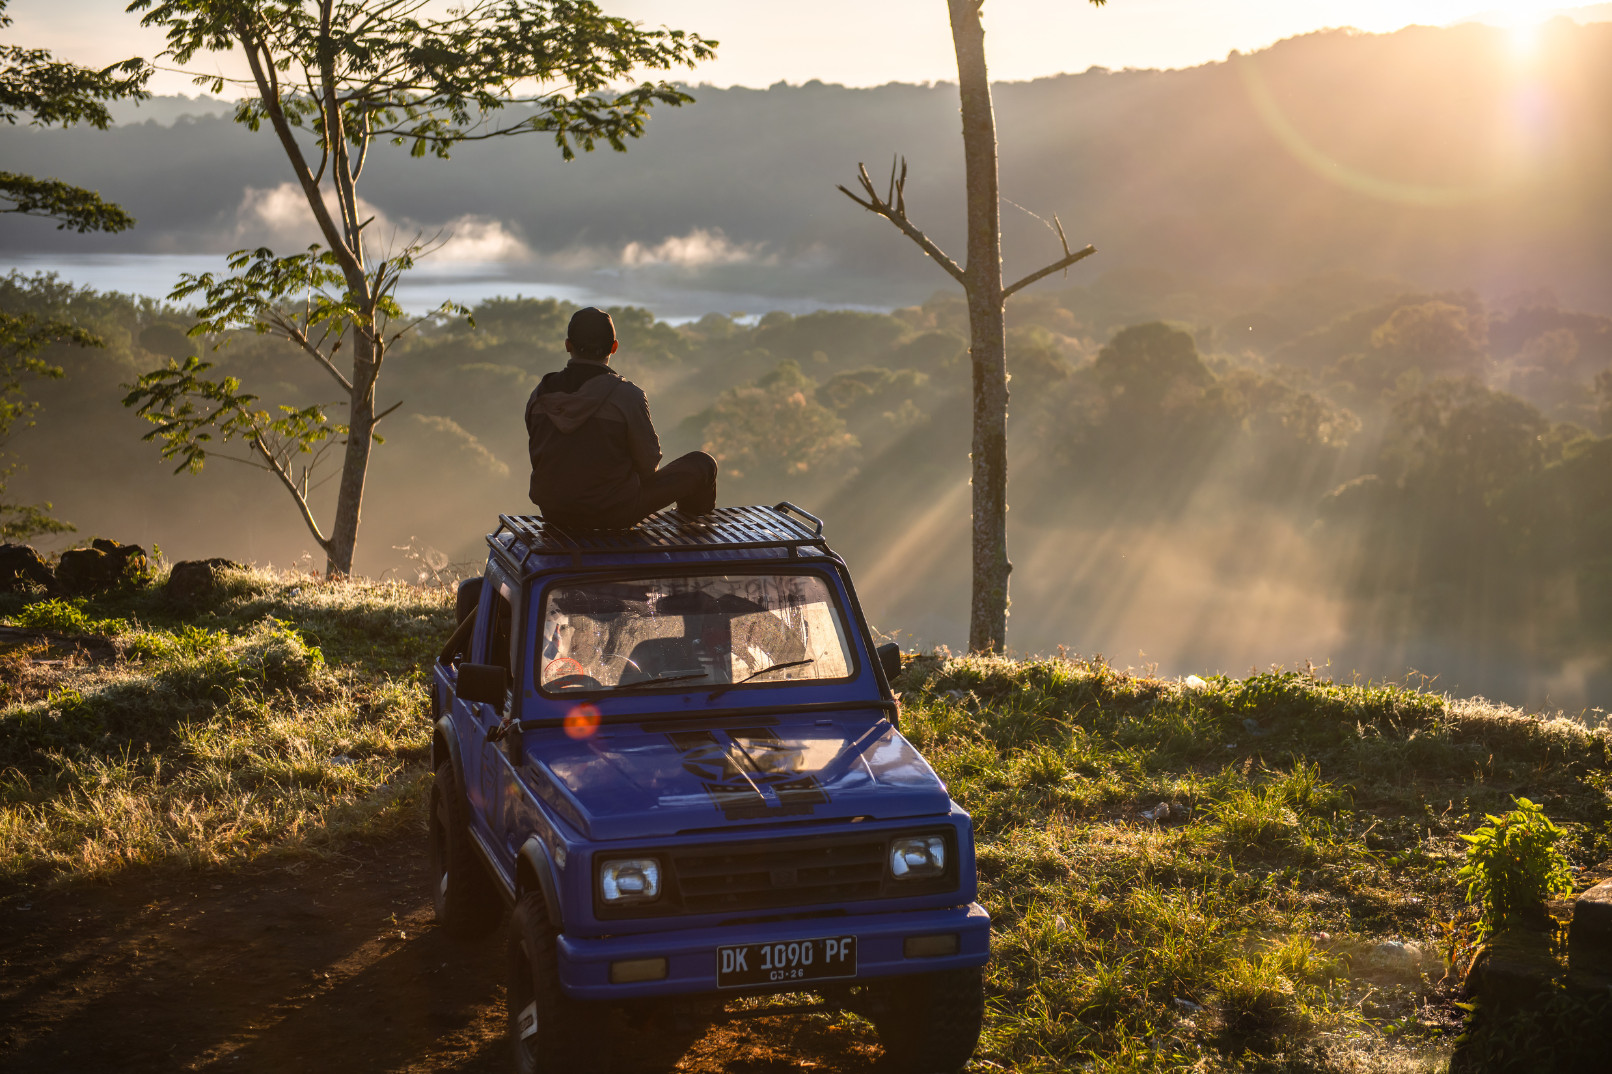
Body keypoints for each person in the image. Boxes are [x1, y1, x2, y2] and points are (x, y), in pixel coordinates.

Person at [525, 306, 718, 529]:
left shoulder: (540, 395)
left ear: (568, 345)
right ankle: (693, 538)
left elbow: (540, 456)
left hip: (554, 514)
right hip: (613, 513)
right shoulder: (627, 395)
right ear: (614, 347)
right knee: (703, 464)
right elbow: (648, 464)